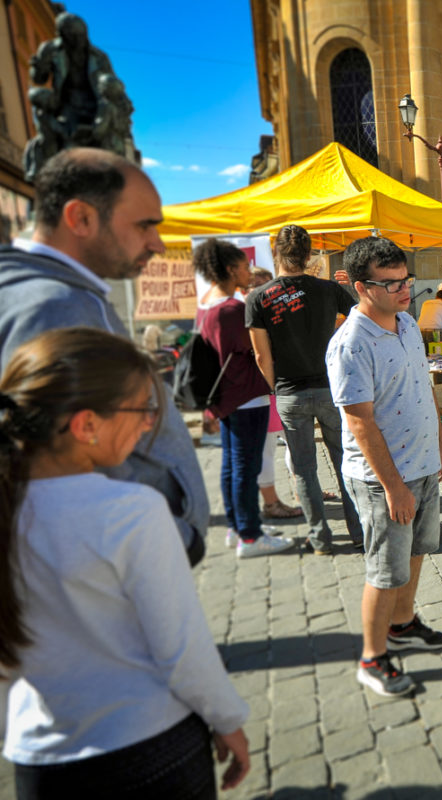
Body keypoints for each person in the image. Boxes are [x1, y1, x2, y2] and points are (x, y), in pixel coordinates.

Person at [0, 328, 250, 797]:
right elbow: (181, 647)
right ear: (86, 425)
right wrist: (228, 719)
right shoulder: (130, 510)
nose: (148, 425)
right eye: (143, 410)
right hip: (147, 744)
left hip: (38, 760)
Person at [0, 147, 208, 566]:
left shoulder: (35, 287)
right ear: (81, 218)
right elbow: (60, 455)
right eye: (145, 225)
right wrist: (172, 531)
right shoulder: (58, 305)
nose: (157, 243)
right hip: (117, 555)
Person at [326, 236, 442, 698]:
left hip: (420, 463)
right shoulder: (351, 344)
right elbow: (359, 423)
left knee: (417, 550)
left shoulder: (406, 324)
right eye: (392, 282)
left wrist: (438, 437)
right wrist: (394, 486)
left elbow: (421, 383)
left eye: (407, 280)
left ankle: (402, 623)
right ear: (362, 287)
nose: (405, 290)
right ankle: (372, 657)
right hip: (383, 479)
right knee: (384, 570)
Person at [246, 224, 363, 554]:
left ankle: (321, 538)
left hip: (289, 393)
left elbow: (260, 355)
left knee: (304, 469)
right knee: (346, 461)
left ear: (275, 254)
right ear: (310, 254)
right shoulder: (328, 290)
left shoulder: (258, 297)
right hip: (331, 388)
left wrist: (273, 392)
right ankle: (359, 532)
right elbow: (361, 321)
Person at [194, 239, 294, 559]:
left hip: (226, 397)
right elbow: (259, 350)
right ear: (229, 269)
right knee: (246, 467)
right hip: (247, 395)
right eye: (243, 266)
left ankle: (239, 527)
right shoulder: (234, 309)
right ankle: (250, 536)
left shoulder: (207, 306)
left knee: (232, 465)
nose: (248, 271)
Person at [246, 266, 302, 520]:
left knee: (295, 443)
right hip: (265, 389)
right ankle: (272, 503)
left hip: (280, 387)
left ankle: (303, 492)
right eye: (255, 284)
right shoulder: (251, 312)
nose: (261, 289)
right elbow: (258, 355)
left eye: (265, 284)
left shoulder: (267, 311)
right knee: (268, 448)